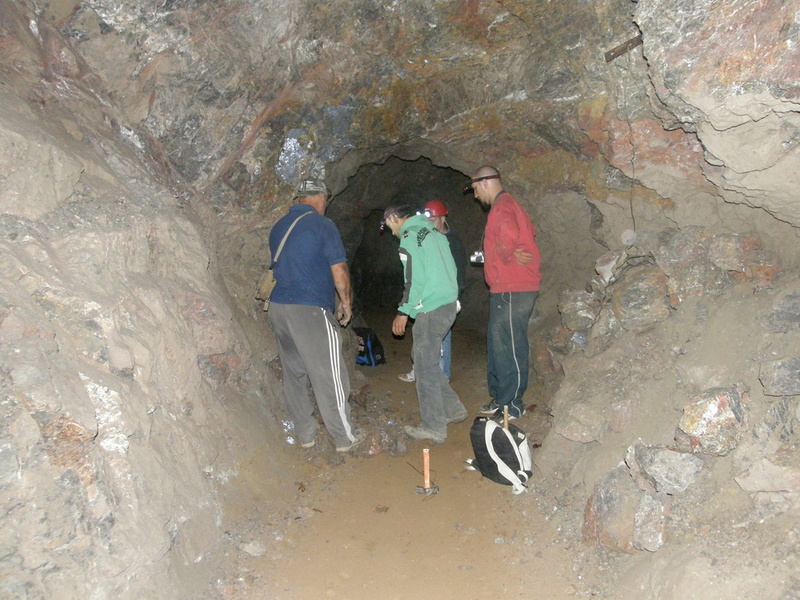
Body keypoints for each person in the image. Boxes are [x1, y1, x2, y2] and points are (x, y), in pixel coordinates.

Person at [268, 179, 363, 452]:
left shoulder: (279, 227)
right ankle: (344, 437)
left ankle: (305, 435)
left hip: (279, 308)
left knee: (294, 374)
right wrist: (345, 302)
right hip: (309, 310)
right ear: (321, 197)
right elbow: (339, 269)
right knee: (329, 373)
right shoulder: (324, 225)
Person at [382, 204, 468, 443]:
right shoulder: (434, 232)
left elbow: (413, 277)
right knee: (425, 361)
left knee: (423, 368)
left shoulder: (409, 237)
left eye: (389, 225)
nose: (390, 231)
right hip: (448, 303)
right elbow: (451, 268)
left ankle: (434, 427)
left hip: (430, 307)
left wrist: (403, 311)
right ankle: (454, 410)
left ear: (395, 218)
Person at [467, 166, 541, 421]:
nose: (476, 195)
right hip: (506, 288)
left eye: (475, 189)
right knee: (498, 346)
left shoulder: (503, 207)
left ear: (485, 183)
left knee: (510, 346)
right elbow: (528, 234)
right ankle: (501, 399)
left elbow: (509, 235)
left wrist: (505, 254)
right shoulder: (507, 206)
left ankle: (513, 404)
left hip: (515, 287)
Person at [397, 199, 467, 383]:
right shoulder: (425, 236)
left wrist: (456, 297)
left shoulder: (452, 241)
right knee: (424, 337)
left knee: (441, 340)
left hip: (445, 299)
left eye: (435, 218)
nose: (431, 222)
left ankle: (442, 377)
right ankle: (420, 370)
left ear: (443, 218)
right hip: (426, 298)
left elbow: (457, 271)